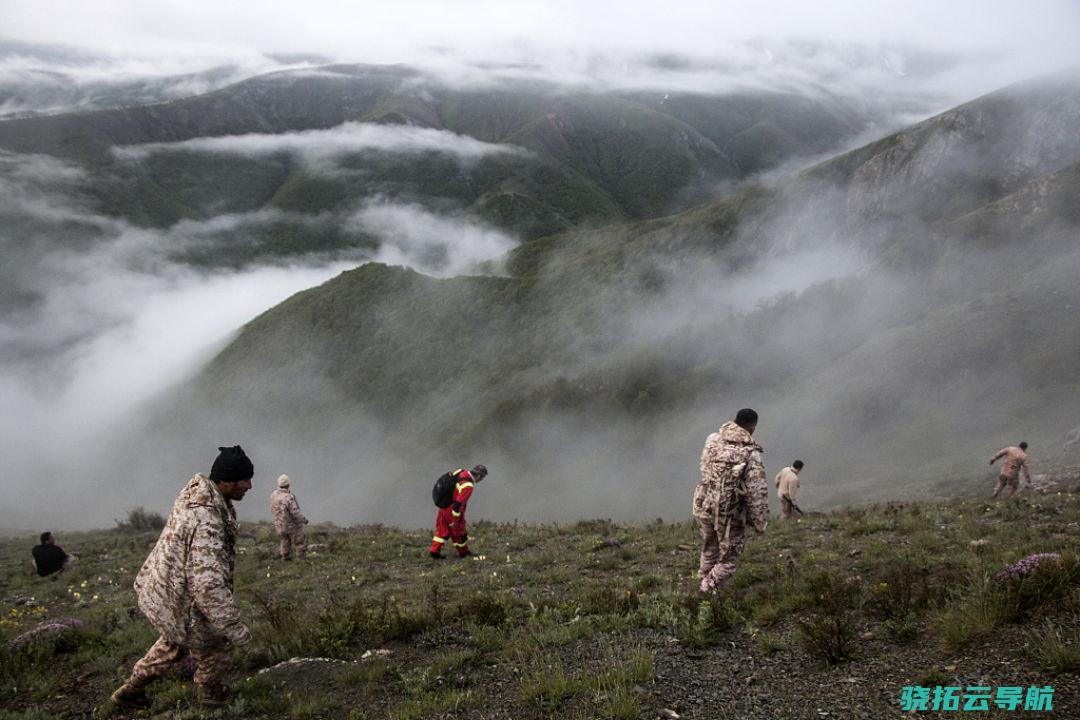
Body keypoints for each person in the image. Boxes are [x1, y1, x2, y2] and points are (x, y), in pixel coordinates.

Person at [110, 446, 255, 709]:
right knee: (215, 645)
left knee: (173, 643)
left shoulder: (196, 495)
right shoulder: (207, 520)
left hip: (166, 592)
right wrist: (235, 629)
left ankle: (131, 691)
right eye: (245, 479)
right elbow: (207, 585)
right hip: (183, 598)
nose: (250, 485)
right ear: (227, 481)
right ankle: (211, 697)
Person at [692, 409, 768, 594]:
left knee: (710, 546)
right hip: (729, 512)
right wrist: (760, 522)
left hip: (703, 504)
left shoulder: (712, 439)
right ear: (753, 427)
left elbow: (703, 466)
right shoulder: (750, 452)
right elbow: (756, 490)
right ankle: (706, 591)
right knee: (729, 558)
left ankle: (705, 582)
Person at [430, 465, 487, 559]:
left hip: (444, 504)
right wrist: (455, 521)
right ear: (479, 477)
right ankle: (463, 553)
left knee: (442, 529)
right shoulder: (468, 486)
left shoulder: (461, 471)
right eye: (482, 479)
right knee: (459, 532)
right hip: (451, 508)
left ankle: (434, 551)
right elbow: (458, 505)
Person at [270, 474, 309, 560]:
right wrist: (303, 520)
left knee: (285, 540)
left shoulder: (273, 495)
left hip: (279, 524)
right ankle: (301, 558)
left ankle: (285, 556)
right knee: (299, 540)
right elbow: (295, 512)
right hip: (290, 525)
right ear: (288, 484)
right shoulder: (289, 497)